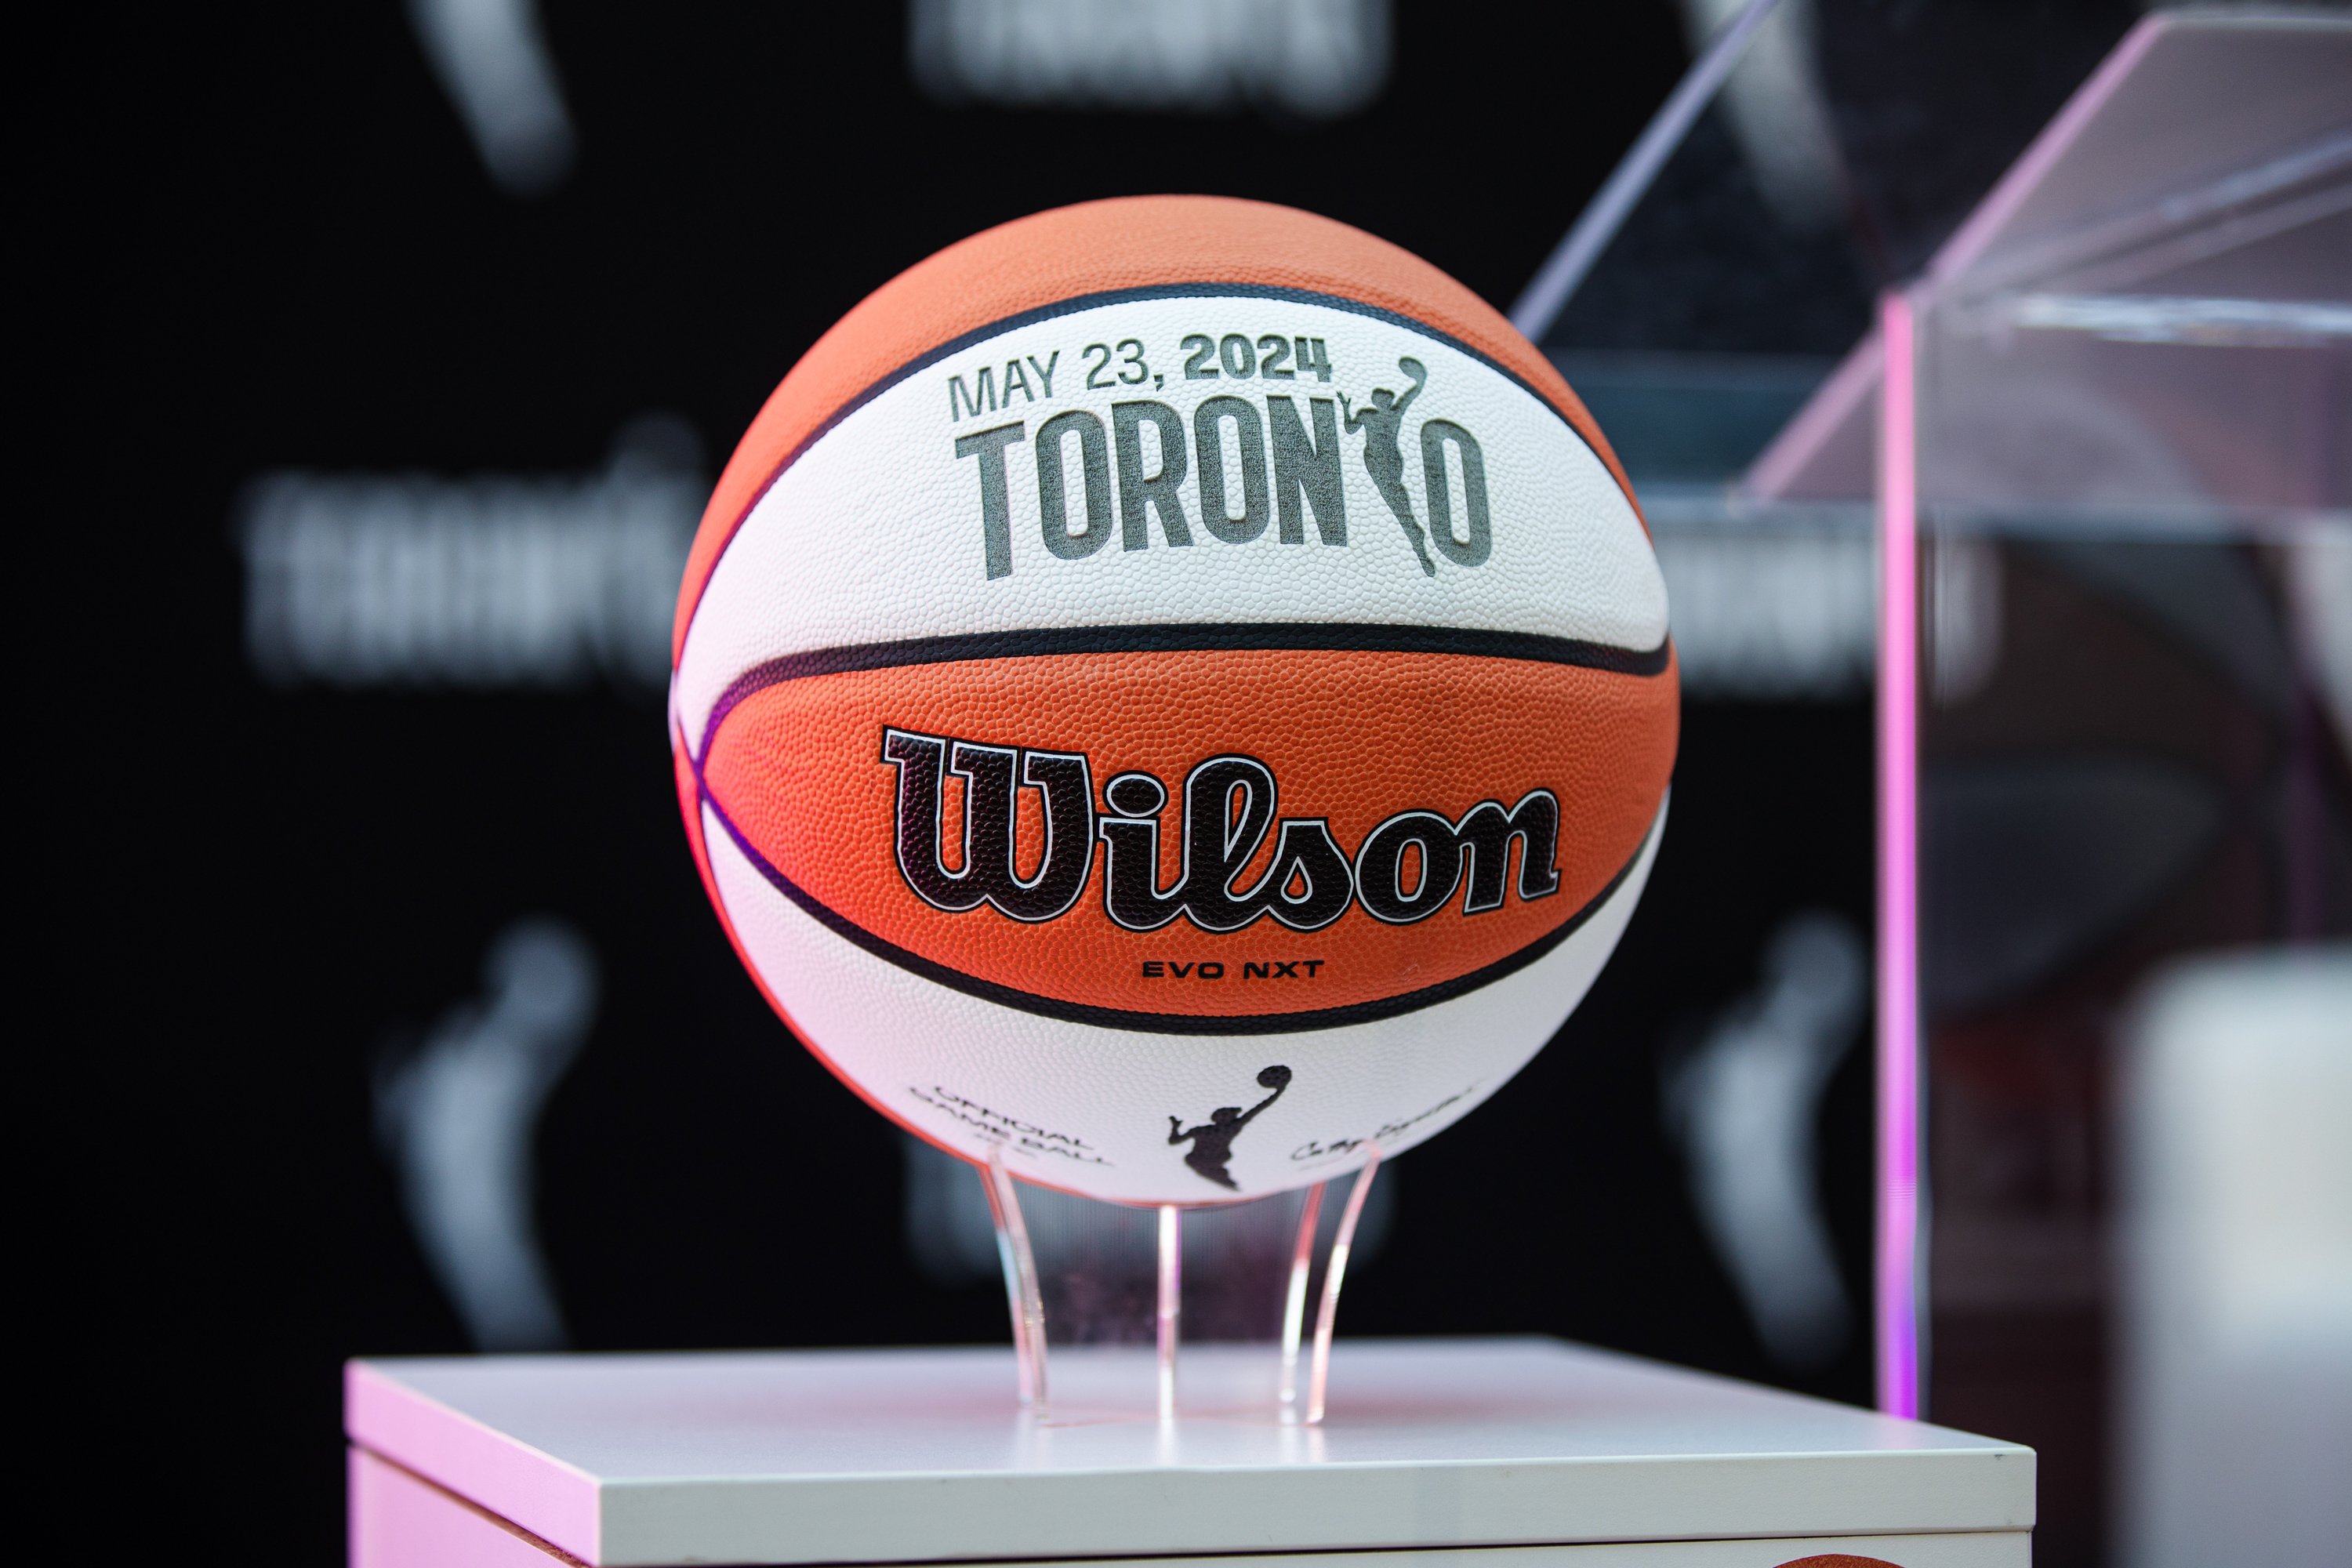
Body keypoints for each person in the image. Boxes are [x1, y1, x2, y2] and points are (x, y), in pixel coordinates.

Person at [1340, 357, 1435, 576]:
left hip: (1390, 464)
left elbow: (1410, 397)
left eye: (1386, 398)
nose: (1384, 401)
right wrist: (1346, 409)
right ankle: (1418, 544)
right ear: (1375, 400)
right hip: (1375, 462)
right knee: (1397, 504)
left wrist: (1418, 382)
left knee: (1398, 503)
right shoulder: (1368, 415)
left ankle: (1417, 543)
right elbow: (1350, 429)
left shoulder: (1394, 413)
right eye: (1381, 398)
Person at [1167, 1065, 1292, 1189]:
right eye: (1232, 1114)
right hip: (1215, 1160)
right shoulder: (1232, 1128)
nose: (1234, 1116)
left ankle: (1230, 1185)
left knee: (1220, 1179)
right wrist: (1279, 1091)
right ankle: (1231, 1186)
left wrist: (1175, 1126)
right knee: (1223, 1180)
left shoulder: (1201, 1131)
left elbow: (1173, 1141)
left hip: (1198, 1161)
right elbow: (1258, 1109)